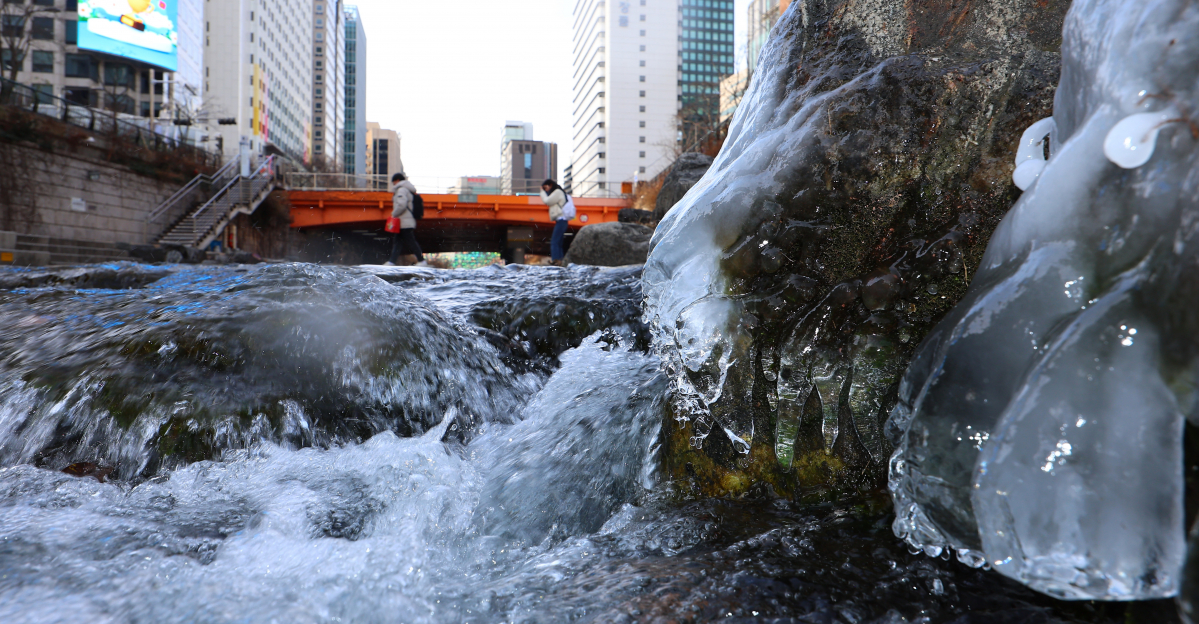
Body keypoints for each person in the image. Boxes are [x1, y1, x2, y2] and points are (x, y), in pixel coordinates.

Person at [385, 172, 428, 267]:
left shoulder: (401, 190)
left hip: (404, 221)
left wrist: (393, 214)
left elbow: (401, 204)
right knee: (399, 242)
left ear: (397, 181)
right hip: (404, 222)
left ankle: (421, 261)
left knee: (409, 241)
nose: (394, 185)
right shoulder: (407, 190)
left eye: (394, 182)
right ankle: (392, 261)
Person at [539, 179, 572, 265]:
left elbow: (547, 201)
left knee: (554, 241)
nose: (546, 190)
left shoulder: (557, 192)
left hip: (561, 220)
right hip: (562, 220)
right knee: (559, 242)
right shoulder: (559, 192)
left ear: (550, 185)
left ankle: (556, 260)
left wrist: (542, 192)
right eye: (544, 189)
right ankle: (560, 261)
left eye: (546, 188)